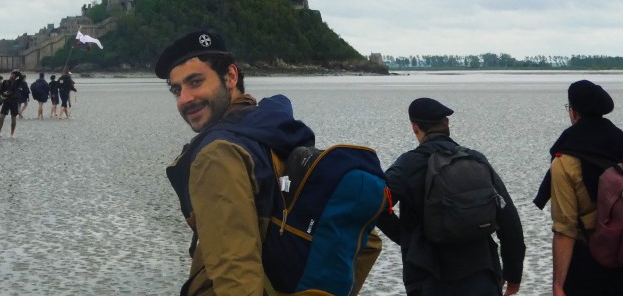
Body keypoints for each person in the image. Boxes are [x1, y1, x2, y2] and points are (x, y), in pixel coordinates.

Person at [158, 30, 381, 296]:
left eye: (195, 82)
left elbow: (236, 275)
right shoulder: (277, 130)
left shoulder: (217, 154)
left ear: (230, 76)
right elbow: (364, 242)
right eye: (176, 89)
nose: (184, 99)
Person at [379, 97, 525, 295]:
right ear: (446, 123)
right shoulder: (475, 159)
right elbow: (509, 221)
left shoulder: (408, 165)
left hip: (429, 279)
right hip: (483, 276)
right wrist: (514, 274)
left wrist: (408, 240)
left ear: (414, 127)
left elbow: (374, 205)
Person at [534, 80, 623, 296]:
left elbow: (565, 228)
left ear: (574, 112)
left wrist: (558, 286)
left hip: (585, 269)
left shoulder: (565, 160)